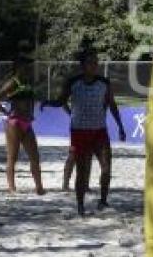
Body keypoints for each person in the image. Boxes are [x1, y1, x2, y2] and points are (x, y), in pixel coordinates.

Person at [43, 50, 126, 215]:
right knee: (82, 170)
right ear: (83, 66)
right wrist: (48, 102)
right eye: (91, 62)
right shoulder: (73, 82)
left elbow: (112, 104)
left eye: (96, 63)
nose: (95, 66)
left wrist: (120, 126)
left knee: (107, 167)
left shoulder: (104, 82)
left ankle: (103, 201)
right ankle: (80, 205)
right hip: (79, 132)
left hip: (99, 131)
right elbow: (61, 101)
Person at [0, 56, 45, 194]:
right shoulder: (12, 82)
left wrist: (31, 113)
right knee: (12, 156)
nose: (28, 68)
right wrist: (6, 113)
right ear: (18, 67)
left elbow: (31, 100)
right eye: (25, 66)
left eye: (29, 66)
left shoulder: (29, 82)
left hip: (27, 122)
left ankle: (39, 187)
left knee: (34, 156)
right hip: (14, 122)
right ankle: (11, 187)